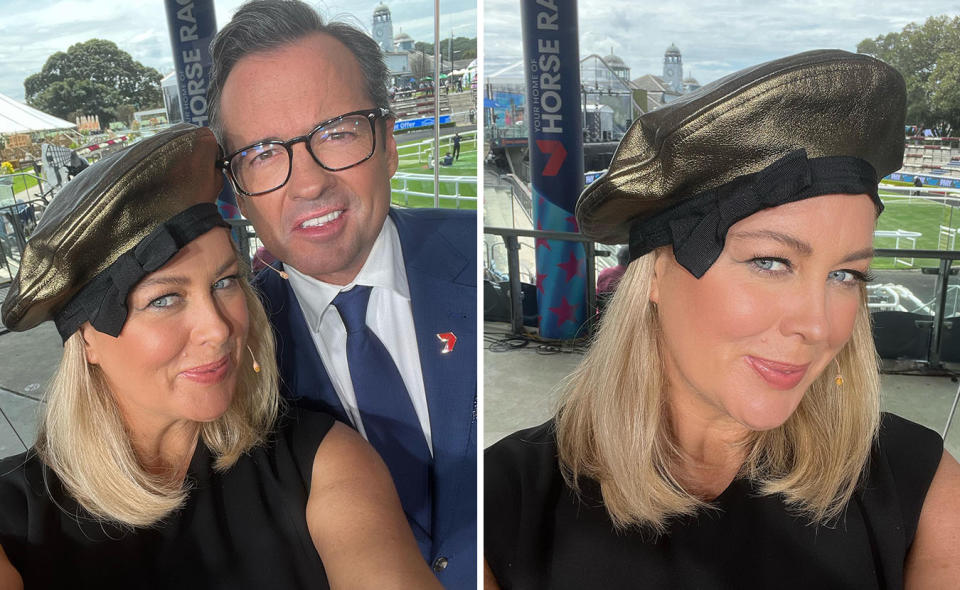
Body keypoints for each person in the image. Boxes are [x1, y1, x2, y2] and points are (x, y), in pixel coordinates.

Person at [485, 50, 960, 589]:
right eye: (770, 262)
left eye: (847, 275)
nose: (819, 326)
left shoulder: (922, 490)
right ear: (657, 273)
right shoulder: (500, 508)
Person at [0, 124, 440, 589]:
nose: (218, 328)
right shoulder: (13, 521)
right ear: (87, 338)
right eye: (164, 299)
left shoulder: (324, 462)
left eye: (225, 282)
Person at [207, 1, 476, 586]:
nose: (308, 183)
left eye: (336, 132)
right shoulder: (225, 358)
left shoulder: (480, 257)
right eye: (262, 154)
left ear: (389, 142)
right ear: (239, 192)